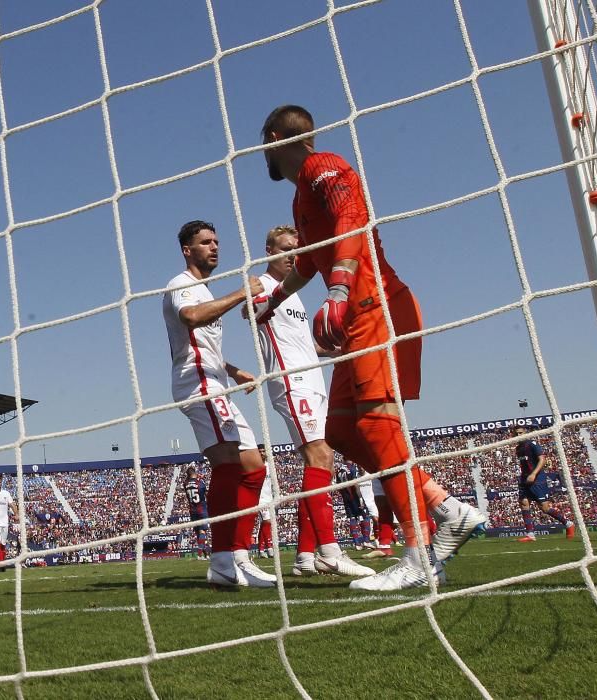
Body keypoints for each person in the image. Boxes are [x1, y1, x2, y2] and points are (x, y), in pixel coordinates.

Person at [253, 105, 486, 590]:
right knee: (340, 428)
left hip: (374, 300)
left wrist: (338, 290)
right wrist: (274, 300)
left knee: (377, 422)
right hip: (355, 305)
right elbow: (314, 260)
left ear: (274, 138)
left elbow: (352, 222)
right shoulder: (300, 199)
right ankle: (447, 507)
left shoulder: (323, 165)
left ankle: (420, 554)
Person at [252, 226, 375, 578]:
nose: (292, 255)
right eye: (286, 249)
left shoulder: (295, 295)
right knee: (319, 456)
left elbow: (309, 347)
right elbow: (249, 309)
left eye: (296, 250)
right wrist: (250, 291)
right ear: (268, 250)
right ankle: (329, 550)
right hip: (292, 382)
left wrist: (346, 349)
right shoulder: (264, 285)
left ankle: (305, 555)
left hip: (312, 381)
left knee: (324, 463)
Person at [163, 220, 276, 588]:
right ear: (187, 250)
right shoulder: (182, 285)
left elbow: (202, 345)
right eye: (205, 242)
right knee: (228, 460)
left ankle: (238, 556)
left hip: (216, 382)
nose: (214, 247)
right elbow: (192, 318)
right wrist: (241, 293)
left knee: (254, 467)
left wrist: (232, 369)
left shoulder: (204, 290)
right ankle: (223, 559)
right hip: (197, 385)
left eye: (216, 241)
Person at [514, 428, 575, 543]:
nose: (518, 435)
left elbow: (542, 459)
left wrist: (533, 474)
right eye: (516, 433)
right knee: (524, 503)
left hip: (537, 479)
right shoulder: (518, 448)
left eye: (520, 433)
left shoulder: (532, 444)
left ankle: (568, 523)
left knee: (544, 508)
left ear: (525, 433)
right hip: (525, 478)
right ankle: (530, 534)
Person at [182, 465, 209, 560]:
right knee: (202, 532)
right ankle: (200, 554)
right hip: (201, 509)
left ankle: (206, 555)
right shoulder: (200, 483)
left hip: (192, 510)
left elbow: (187, 483)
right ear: (195, 473)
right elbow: (205, 494)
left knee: (198, 533)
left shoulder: (185, 484)